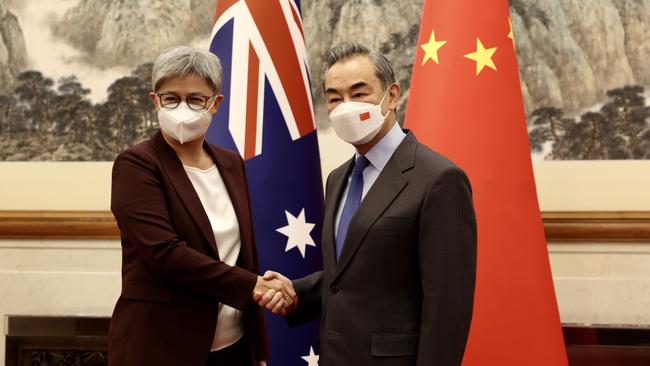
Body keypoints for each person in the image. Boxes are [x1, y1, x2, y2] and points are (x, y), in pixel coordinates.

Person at [256, 42, 477, 366]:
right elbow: (352, 276)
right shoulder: (338, 178)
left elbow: (447, 309)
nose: (345, 107)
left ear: (392, 95)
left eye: (359, 94)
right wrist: (295, 291)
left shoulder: (439, 179)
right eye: (334, 98)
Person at [108, 46, 294, 366]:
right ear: (155, 100)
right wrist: (254, 286)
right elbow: (165, 253)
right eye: (171, 98)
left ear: (215, 104)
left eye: (195, 98)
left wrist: (258, 350)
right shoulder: (136, 165)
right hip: (161, 347)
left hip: (232, 347)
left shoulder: (230, 163)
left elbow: (244, 256)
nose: (183, 108)